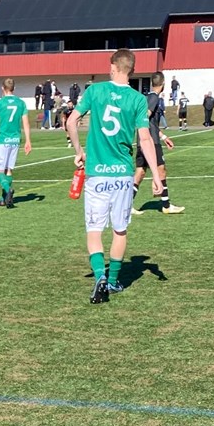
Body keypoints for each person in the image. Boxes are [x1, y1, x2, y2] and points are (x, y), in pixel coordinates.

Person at [66, 49, 162, 304]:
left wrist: (79, 151)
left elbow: (71, 122)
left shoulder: (95, 91)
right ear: (132, 70)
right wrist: (156, 176)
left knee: (94, 230)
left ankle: (100, 275)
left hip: (97, 174)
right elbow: (144, 139)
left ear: (112, 67)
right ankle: (113, 280)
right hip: (122, 176)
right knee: (120, 230)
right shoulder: (138, 100)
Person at [131, 72, 184, 216]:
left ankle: (127, 205)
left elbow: (150, 122)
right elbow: (145, 117)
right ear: (163, 83)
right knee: (161, 170)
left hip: (143, 141)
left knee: (140, 172)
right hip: (151, 142)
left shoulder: (146, 97)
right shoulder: (154, 97)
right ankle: (166, 205)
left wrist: (164, 136)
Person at [0, 78, 32, 208]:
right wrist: (28, 141)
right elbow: (26, 123)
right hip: (15, 140)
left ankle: (8, 190)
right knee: (8, 170)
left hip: (3, 140)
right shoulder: (21, 103)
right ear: (14, 89)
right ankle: (4, 199)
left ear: (2, 88)